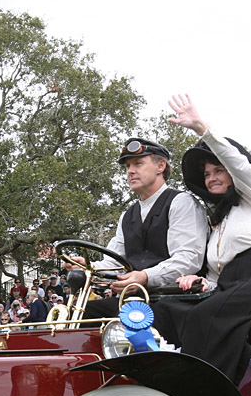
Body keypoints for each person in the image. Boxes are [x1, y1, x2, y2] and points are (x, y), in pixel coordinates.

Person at [149, 95, 251, 384]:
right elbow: (218, 276)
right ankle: (163, 388)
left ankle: (203, 394)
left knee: (204, 318)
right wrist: (203, 282)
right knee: (170, 311)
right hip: (233, 285)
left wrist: (201, 128)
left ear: (231, 175)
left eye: (218, 171)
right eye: (207, 174)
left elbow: (240, 164)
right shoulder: (218, 223)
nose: (211, 178)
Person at [80, 134, 208, 317]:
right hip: (134, 301)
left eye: (138, 164)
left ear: (160, 166)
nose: (130, 171)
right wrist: (88, 267)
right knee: (83, 314)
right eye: (127, 166)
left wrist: (145, 277)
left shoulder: (181, 202)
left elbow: (188, 258)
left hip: (174, 299)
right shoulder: (127, 215)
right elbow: (115, 261)